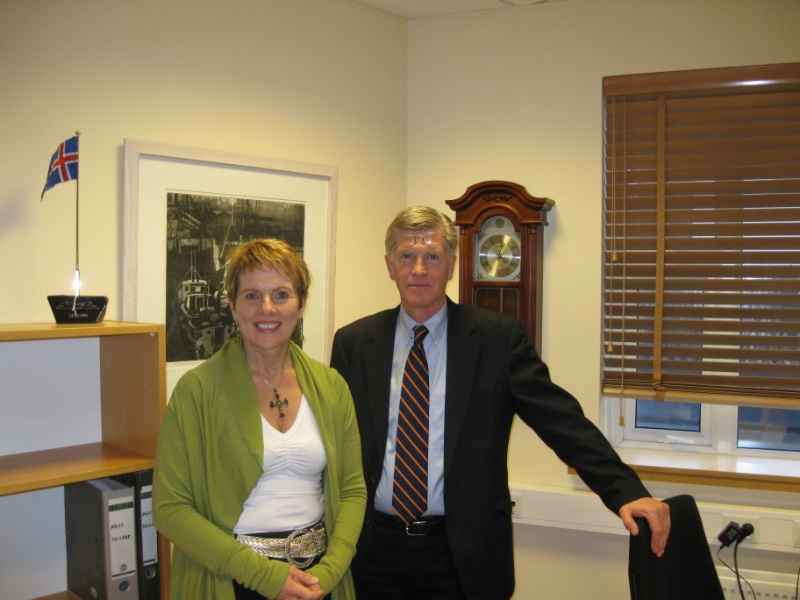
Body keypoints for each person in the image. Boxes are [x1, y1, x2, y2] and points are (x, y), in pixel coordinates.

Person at [330, 206, 670, 600]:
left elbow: (560, 420)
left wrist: (625, 490)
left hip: (463, 555)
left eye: (432, 256)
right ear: (390, 265)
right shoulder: (355, 343)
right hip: (373, 554)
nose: (418, 270)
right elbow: (333, 442)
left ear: (452, 264)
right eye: (407, 256)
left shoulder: (497, 340)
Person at [154, 238, 366, 600]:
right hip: (231, 578)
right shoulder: (196, 391)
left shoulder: (331, 387)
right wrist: (264, 577)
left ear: (301, 304)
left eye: (281, 295)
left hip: (317, 581)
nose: (267, 308)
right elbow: (169, 509)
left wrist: (328, 573)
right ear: (232, 305)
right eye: (252, 296)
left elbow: (352, 490)